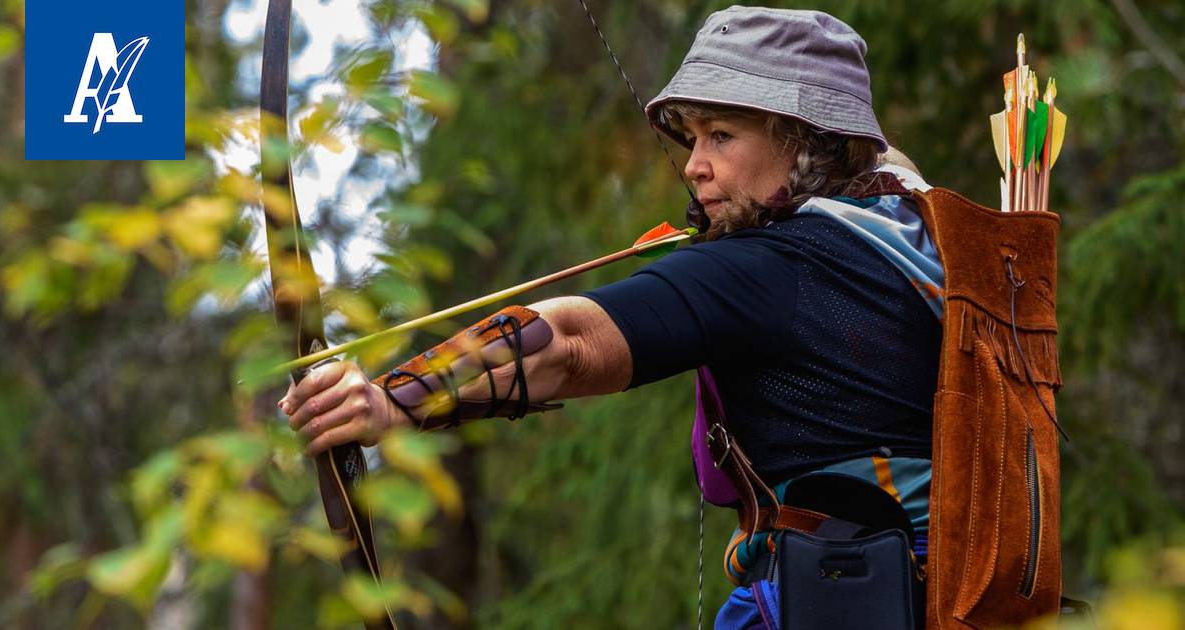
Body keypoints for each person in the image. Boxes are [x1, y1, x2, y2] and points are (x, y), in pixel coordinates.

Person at [279, 7, 944, 628]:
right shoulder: (912, 242)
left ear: (803, 144)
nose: (694, 166)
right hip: (933, 595)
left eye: (722, 134)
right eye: (690, 137)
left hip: (833, 599)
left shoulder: (777, 266)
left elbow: (568, 340)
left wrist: (391, 402)